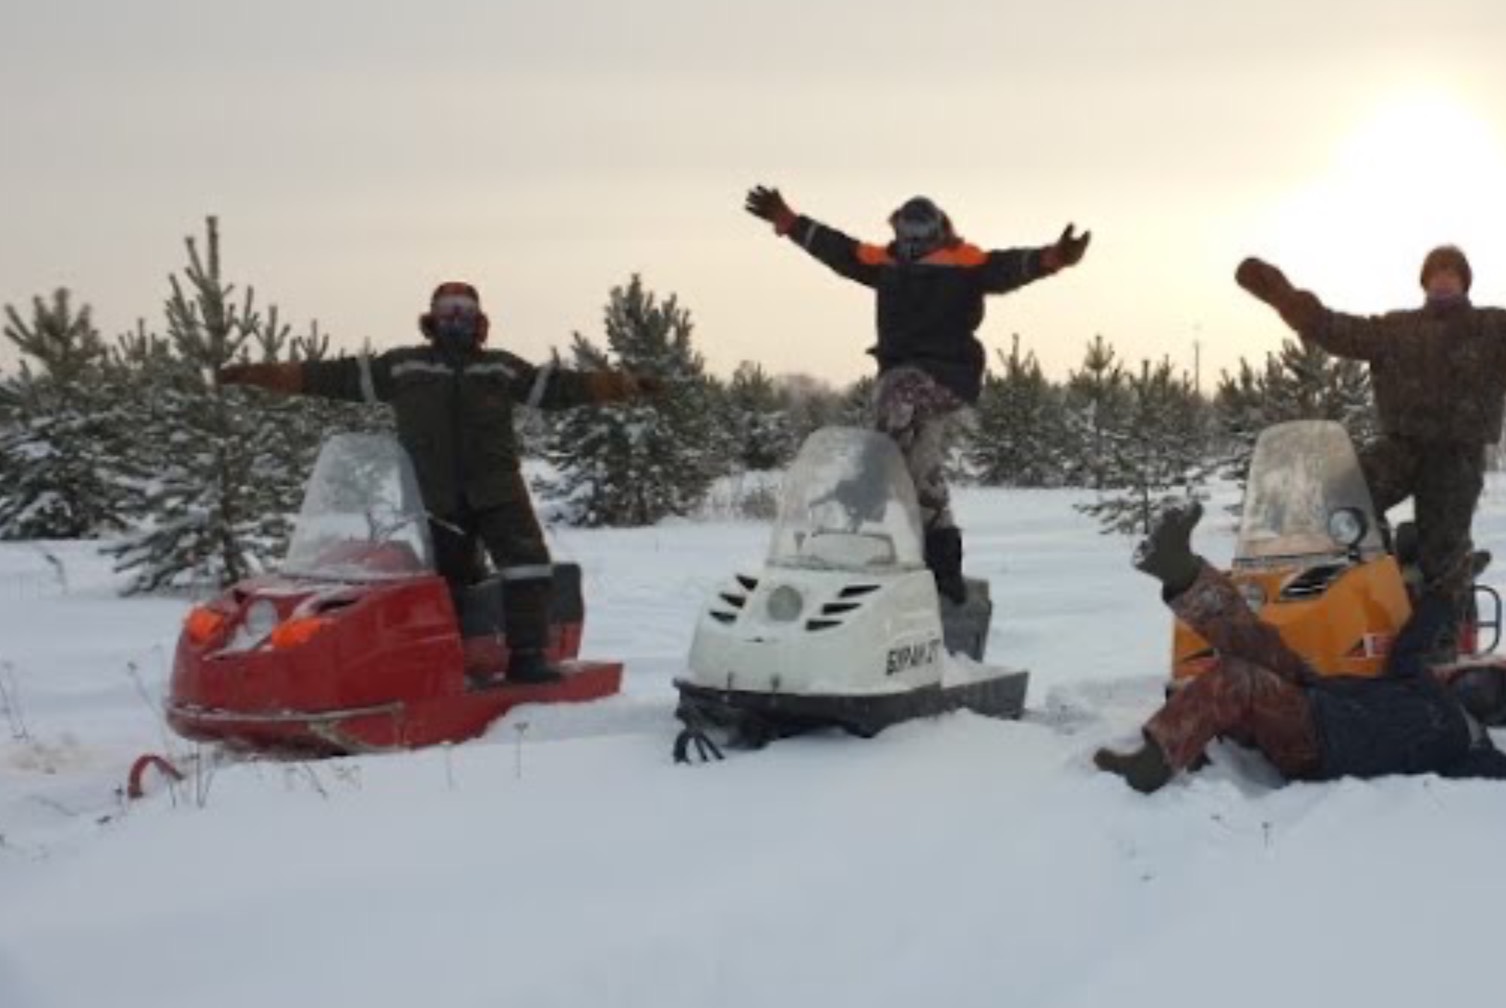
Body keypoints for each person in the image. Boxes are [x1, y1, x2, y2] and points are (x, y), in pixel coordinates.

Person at [218, 281, 656, 685]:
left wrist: (624, 384)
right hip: (432, 497)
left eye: (464, 310)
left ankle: (528, 657)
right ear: (432, 318)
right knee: (444, 583)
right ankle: (448, 660)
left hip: (498, 490)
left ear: (479, 319)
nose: (456, 319)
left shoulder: (499, 368)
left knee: (527, 566)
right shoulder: (404, 366)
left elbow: (561, 387)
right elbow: (333, 377)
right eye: (447, 310)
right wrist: (259, 374)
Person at [1234, 244, 1506, 653]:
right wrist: (1277, 291)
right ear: (1425, 282)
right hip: (1401, 448)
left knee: (1443, 553)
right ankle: (1374, 591)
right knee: (1342, 500)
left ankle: (1440, 638)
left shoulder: (1494, 329)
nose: (1443, 278)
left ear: (1464, 282)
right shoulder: (1395, 331)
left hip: (1456, 456)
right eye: (1436, 272)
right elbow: (1329, 327)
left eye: (1452, 272)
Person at [1093, 506, 1506, 794]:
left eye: (1488, 689)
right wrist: (1450, 592)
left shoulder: (1469, 757)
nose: (1477, 686)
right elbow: (1415, 643)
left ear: (1491, 712)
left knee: (1240, 676)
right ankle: (1181, 572)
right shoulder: (1423, 684)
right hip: (1317, 696)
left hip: (1319, 747)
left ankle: (1153, 763)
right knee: (1260, 642)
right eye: (1480, 680)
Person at [744, 185, 1090, 603]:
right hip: (900, 377)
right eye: (907, 234)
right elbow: (839, 250)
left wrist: (1053, 257)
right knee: (919, 471)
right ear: (898, 230)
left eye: (921, 234)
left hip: (947, 375)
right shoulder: (885, 262)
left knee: (897, 393)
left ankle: (867, 487)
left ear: (938, 231)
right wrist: (790, 222)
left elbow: (1010, 267)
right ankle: (943, 577)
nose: (913, 243)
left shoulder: (964, 262)